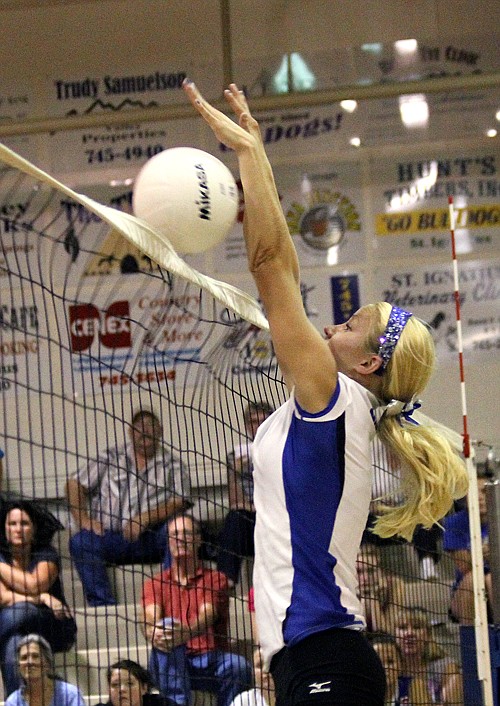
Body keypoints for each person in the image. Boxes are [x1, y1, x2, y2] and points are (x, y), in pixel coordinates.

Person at [183, 79, 469, 706]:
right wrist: (255, 151)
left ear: (368, 361)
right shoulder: (341, 404)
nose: (336, 323)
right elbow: (280, 262)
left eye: (352, 323)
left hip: (325, 659)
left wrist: (250, 155)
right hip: (314, 660)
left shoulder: (334, 400)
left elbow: (266, 266)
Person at [66, 408, 191, 606]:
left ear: (160, 431)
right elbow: (74, 483)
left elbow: (180, 502)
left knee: (178, 532)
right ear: (130, 433)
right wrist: (84, 520)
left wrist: (145, 518)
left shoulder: (174, 465)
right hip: (111, 537)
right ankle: (103, 606)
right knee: (81, 542)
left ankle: (171, 601)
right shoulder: (110, 457)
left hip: (152, 538)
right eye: (139, 428)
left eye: (150, 427)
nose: (144, 432)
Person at [142, 513, 252, 706]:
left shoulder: (215, 578)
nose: (180, 538)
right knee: (165, 627)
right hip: (169, 662)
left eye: (187, 533)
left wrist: (184, 634)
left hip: (208, 662)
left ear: (199, 539)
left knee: (238, 666)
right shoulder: (155, 583)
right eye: (175, 534)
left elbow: (208, 614)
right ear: (168, 542)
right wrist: (153, 631)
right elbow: (151, 616)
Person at [0, 501, 76, 696]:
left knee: (16, 614)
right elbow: (3, 598)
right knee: (13, 644)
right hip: (15, 629)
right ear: (5, 529)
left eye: (24, 523)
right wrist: (41, 598)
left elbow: (34, 584)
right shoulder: (2, 557)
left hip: (51, 624)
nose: (18, 529)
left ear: (34, 529)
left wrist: (38, 594)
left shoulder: (46, 554)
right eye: (12, 524)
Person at [217, 401, 274, 586]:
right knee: (236, 518)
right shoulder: (237, 455)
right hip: (253, 518)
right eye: (253, 422)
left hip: (280, 517)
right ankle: (225, 583)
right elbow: (235, 503)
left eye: (262, 421)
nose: (258, 427)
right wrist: (235, 472)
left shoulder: (287, 448)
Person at [443, 464, 491, 624]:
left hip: (494, 581)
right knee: (473, 578)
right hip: (467, 589)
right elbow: (464, 567)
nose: (479, 497)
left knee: (491, 579)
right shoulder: (454, 523)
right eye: (472, 492)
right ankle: (470, 641)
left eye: (484, 491)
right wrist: (485, 553)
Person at [393, 607, 463, 705]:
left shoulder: (444, 667)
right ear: (394, 634)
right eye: (403, 628)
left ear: (428, 634)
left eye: (417, 627)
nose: (409, 633)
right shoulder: (389, 667)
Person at [5, 633, 84, 706]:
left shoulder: (70, 695)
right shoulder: (13, 702)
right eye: (24, 657)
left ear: (47, 663)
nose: (29, 662)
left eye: (35, 656)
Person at [356, 545, 405, 636]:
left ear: (380, 570)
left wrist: (373, 597)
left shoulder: (394, 584)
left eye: (371, 571)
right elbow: (359, 632)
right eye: (359, 572)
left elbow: (386, 632)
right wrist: (363, 599)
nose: (365, 578)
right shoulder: (347, 587)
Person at [95, 659, 173, 706]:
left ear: (144, 688)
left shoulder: (162, 704)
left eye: (129, 684)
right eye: (115, 685)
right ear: (108, 690)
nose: (122, 689)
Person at [369, 635, 407, 706]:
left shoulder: (413, 687)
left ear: (401, 665)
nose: (385, 668)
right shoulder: (361, 692)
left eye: (390, 662)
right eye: (378, 662)